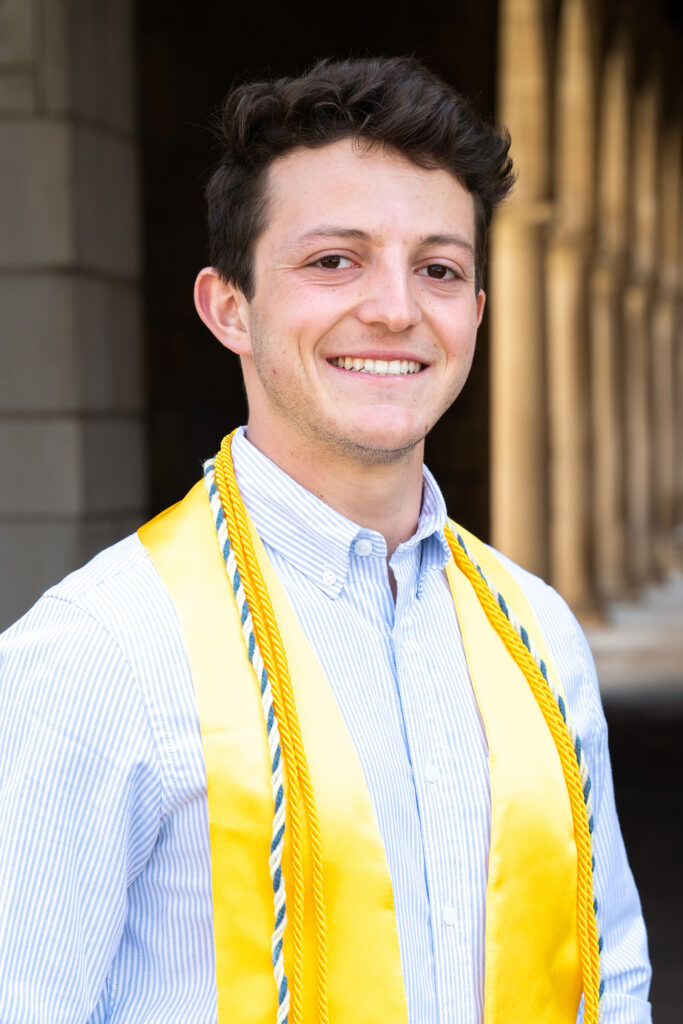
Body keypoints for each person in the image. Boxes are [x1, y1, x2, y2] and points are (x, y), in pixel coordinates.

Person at [0, 57, 650, 1024]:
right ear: (230, 308)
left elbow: (613, 974)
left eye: (438, 269)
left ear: (473, 314)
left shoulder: (538, 632)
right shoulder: (100, 651)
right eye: (332, 260)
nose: (395, 308)